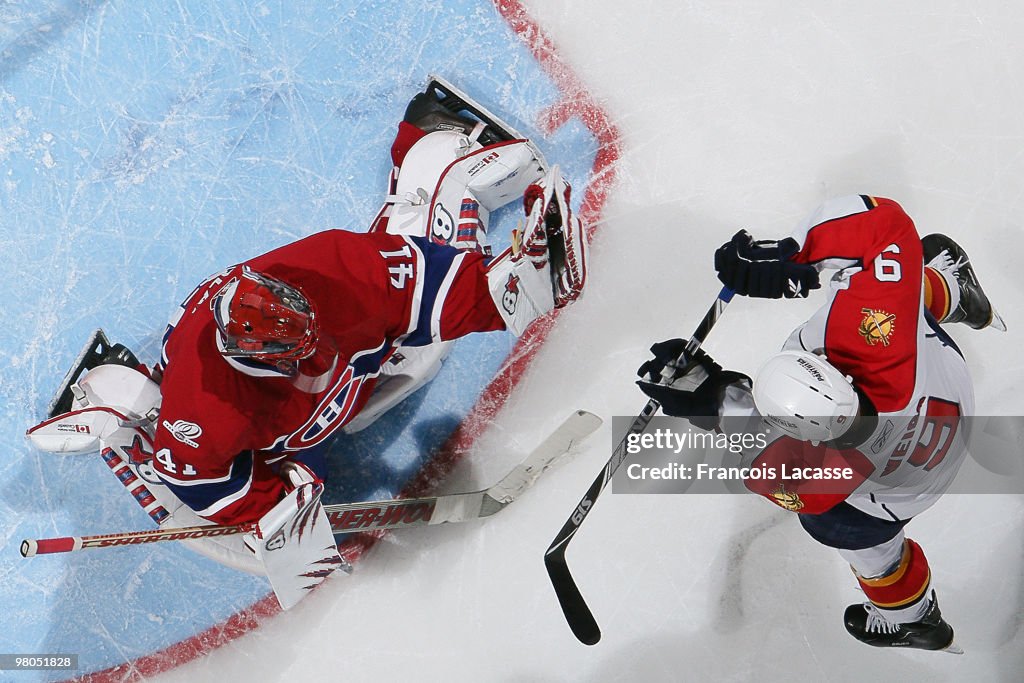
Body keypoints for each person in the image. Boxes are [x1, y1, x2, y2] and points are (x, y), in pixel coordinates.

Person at [27, 79, 588, 573]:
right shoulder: (203, 408)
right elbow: (198, 480)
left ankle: (432, 157)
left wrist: (515, 286)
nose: (311, 347)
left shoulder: (330, 271)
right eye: (293, 352)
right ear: (256, 358)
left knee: (419, 349)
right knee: (262, 547)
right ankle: (122, 404)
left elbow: (434, 287)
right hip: (271, 445)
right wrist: (273, 508)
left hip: (339, 381)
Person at [636, 195, 1004, 652]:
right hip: (949, 397)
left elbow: (750, 433)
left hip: (895, 493)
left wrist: (703, 391)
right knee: (893, 296)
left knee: (843, 528)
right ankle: (948, 288)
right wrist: (791, 255)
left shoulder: (809, 478)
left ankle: (911, 617)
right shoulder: (874, 354)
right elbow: (886, 226)